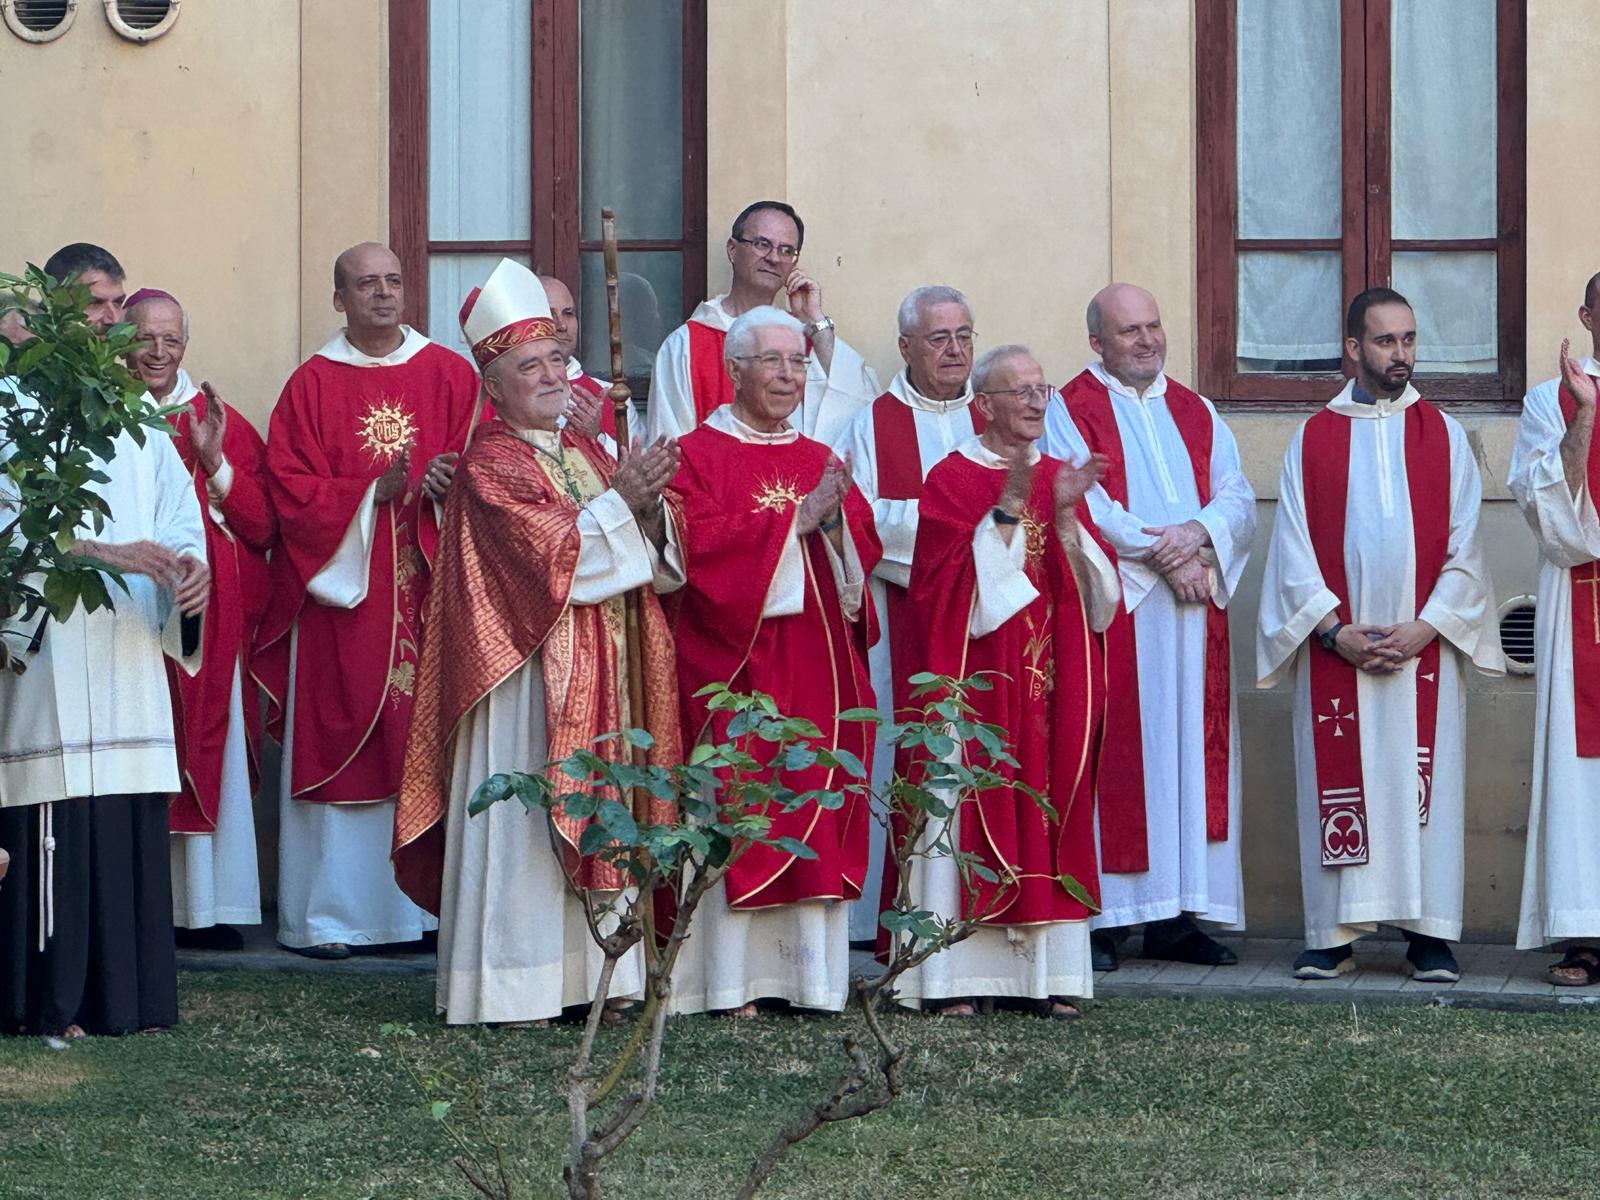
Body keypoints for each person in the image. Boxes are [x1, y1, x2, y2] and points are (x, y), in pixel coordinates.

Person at [392, 259, 684, 1024]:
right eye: (532, 365)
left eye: (558, 356)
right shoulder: (491, 462)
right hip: (526, 682)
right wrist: (625, 502)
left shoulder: (585, 450)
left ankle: (605, 982)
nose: (554, 373)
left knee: (607, 807)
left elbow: (643, 554)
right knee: (527, 829)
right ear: (493, 385)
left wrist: (651, 512)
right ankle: (514, 984)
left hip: (608, 663)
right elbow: (549, 557)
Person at [1256, 287, 1503, 982]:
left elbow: (1467, 551)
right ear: (1353, 347)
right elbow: (1292, 555)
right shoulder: (1313, 437)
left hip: (1421, 651)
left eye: (1409, 340)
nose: (1401, 355)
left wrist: (1427, 628)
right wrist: (1336, 634)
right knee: (1345, 784)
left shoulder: (1444, 434)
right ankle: (1333, 934)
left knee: (1423, 783)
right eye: (1386, 341)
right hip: (1344, 654)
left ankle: (1428, 935)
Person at [0, 243, 209, 1036]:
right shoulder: (11, 408)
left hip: (124, 654)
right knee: (55, 826)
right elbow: (9, 524)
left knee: (120, 825)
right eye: (96, 303)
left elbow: (180, 521)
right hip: (46, 659)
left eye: (119, 303)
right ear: (54, 309)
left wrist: (189, 573)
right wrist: (105, 553)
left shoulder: (139, 425)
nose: (112, 319)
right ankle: (49, 1000)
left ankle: (129, 999)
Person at [257, 242, 480, 958]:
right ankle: (333, 918)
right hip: (343, 604)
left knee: (427, 733)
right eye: (366, 284)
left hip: (430, 584)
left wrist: (447, 485)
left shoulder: (450, 373)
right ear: (339, 299)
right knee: (343, 733)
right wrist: (367, 496)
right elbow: (287, 490)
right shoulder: (311, 386)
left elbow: (494, 460)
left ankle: (427, 914)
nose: (383, 294)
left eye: (393, 281)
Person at [894, 345, 1120, 1018]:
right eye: (1017, 391)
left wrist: (1070, 516)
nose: (1033, 402)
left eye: (1040, 389)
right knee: (968, 807)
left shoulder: (1059, 475)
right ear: (982, 405)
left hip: (1046, 684)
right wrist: (1009, 507)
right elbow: (942, 591)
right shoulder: (951, 479)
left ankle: (1044, 977)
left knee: (1048, 807)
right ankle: (954, 979)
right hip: (977, 685)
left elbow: (1096, 596)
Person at [669, 305, 880, 1015]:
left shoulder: (821, 457)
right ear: (733, 371)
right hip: (738, 669)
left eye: (797, 362)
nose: (789, 376)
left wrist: (839, 527)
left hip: (819, 675)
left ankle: (810, 982)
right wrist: (797, 519)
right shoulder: (695, 454)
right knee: (745, 803)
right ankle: (729, 984)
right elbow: (694, 549)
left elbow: (860, 554)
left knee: (814, 806)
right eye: (772, 361)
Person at [1042, 284, 1256, 971]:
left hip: (1195, 618)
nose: (1147, 340)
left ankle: (1180, 916)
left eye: (1153, 326)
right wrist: (1164, 557)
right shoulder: (1068, 408)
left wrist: (1198, 534)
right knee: (1123, 752)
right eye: (1129, 330)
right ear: (1097, 342)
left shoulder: (1196, 409)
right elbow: (1081, 501)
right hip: (1123, 610)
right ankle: (1107, 919)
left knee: (1191, 756)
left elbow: (1237, 494)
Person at [125, 288, 275, 950]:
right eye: (145, 337)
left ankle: (205, 908)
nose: (159, 352)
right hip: (127, 612)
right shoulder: (105, 417)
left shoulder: (219, 419)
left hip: (206, 616)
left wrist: (215, 462)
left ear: (187, 344)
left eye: (172, 339)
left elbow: (264, 526)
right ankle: (133, 903)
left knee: (208, 743)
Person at [839, 285, 984, 942]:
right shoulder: (871, 424)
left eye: (963, 336)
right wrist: (959, 531)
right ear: (904, 347)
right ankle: (905, 916)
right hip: (907, 621)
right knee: (915, 756)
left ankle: (984, 912)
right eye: (938, 338)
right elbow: (860, 521)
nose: (955, 351)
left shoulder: (998, 413)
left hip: (991, 624)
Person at [1509, 276, 1600, 984]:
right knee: (1579, 774)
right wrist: (1585, 418)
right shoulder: (1550, 399)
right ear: (1587, 317)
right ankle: (1582, 934)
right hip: (1580, 601)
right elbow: (1550, 520)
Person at [646, 201, 877, 446]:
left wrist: (817, 326)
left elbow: (861, 418)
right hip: (714, 482)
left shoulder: (802, 339)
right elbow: (667, 447)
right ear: (733, 249)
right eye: (762, 244)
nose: (774, 258)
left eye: (786, 250)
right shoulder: (687, 345)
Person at [539, 274, 617, 449]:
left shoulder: (614, 397)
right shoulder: (500, 397)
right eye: (549, 314)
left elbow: (633, 470)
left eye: (568, 313)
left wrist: (596, 437)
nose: (562, 325)